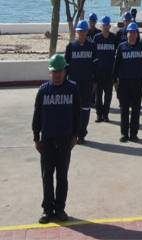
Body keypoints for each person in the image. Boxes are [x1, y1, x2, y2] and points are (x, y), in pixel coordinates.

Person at [33, 54, 80, 224]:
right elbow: (37, 115)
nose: (57, 75)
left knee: (62, 176)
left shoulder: (73, 89)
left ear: (65, 71)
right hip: (47, 141)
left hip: (65, 140)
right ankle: (47, 209)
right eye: (54, 72)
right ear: (50, 72)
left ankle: (60, 208)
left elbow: (77, 114)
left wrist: (76, 135)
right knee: (47, 176)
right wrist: (36, 137)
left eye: (60, 71)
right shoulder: (43, 91)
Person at [113, 22, 142, 142]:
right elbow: (116, 66)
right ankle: (124, 134)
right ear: (126, 34)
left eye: (134, 32)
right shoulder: (121, 47)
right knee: (124, 110)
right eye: (130, 32)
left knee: (136, 110)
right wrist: (115, 82)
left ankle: (134, 134)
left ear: (137, 34)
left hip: (137, 82)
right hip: (124, 83)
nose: (132, 35)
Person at [65, 20, 96, 143]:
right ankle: (73, 133)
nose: (81, 34)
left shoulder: (92, 46)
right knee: (73, 110)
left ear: (87, 32)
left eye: (83, 31)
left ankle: (82, 134)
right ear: (76, 32)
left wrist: (95, 82)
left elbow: (95, 66)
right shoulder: (71, 47)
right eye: (79, 31)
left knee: (85, 109)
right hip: (73, 84)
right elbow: (66, 66)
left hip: (87, 84)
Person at [93, 16, 118, 123]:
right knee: (98, 95)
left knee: (108, 95)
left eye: (107, 25)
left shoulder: (113, 38)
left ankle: (106, 114)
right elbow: (93, 55)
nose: (105, 27)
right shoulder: (97, 38)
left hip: (109, 72)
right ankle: (99, 115)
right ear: (101, 26)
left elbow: (118, 53)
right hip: (98, 72)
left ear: (109, 26)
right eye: (104, 25)